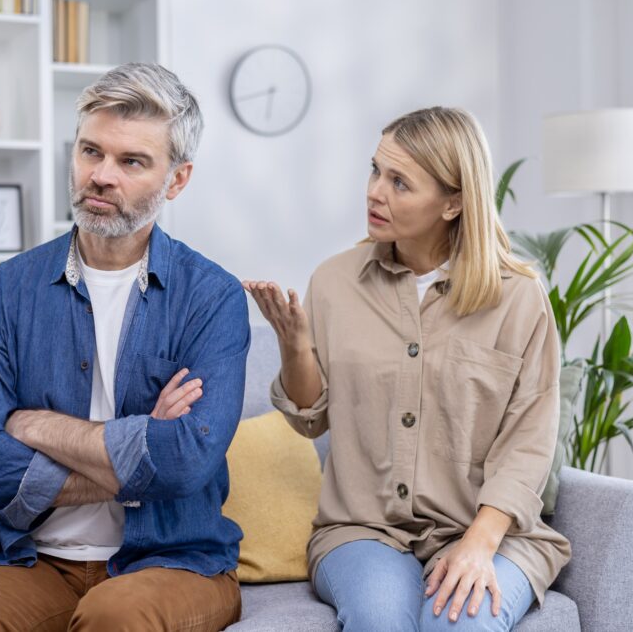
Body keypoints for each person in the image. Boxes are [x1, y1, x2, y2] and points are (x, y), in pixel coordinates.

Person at [0, 63, 250, 632]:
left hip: (173, 561)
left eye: (131, 161)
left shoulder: (212, 297)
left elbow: (186, 463)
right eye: (90, 152)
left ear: (176, 180)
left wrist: (32, 425)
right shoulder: (5, 291)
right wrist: (139, 442)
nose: (101, 176)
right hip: (35, 560)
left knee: (114, 619)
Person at [244, 107, 571, 632]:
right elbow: (310, 421)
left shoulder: (519, 298)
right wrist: (294, 347)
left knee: (458, 623)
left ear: (454, 202)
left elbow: (529, 440)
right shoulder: (333, 282)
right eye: (375, 171)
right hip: (362, 531)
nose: (375, 192)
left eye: (400, 182)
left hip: (490, 531)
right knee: (380, 621)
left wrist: (478, 544)